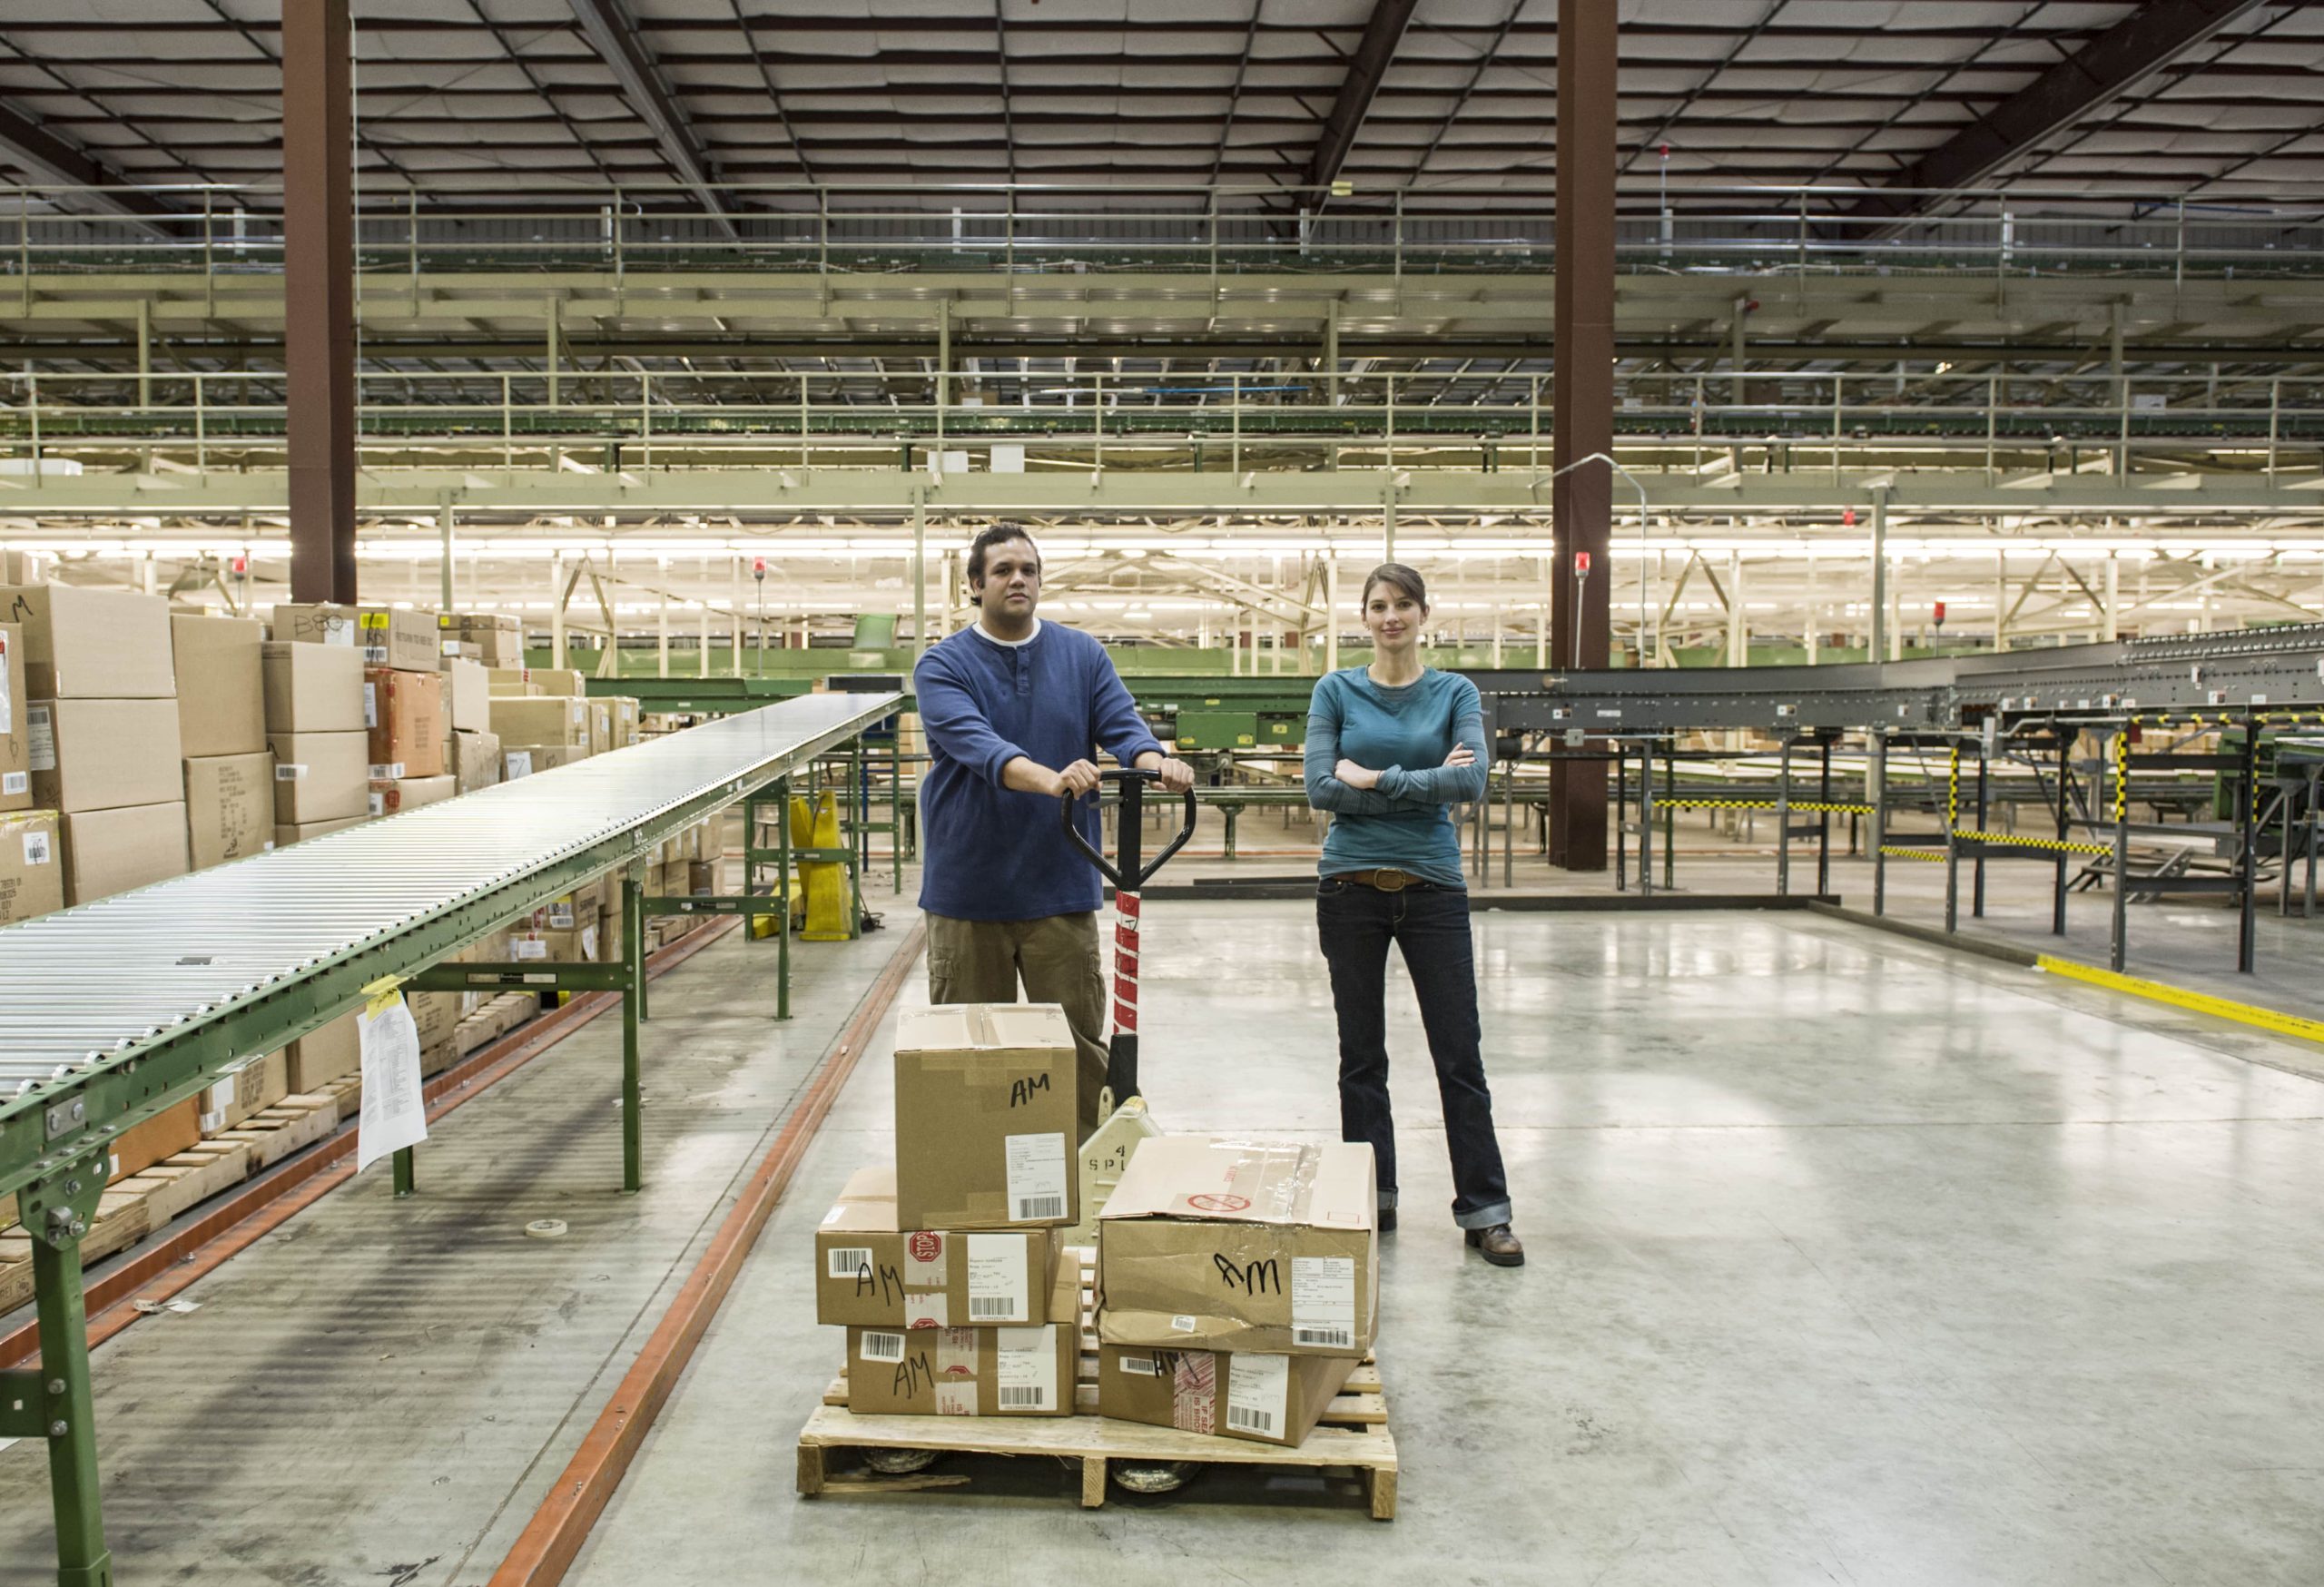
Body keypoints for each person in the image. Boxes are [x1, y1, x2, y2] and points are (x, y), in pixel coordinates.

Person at [913, 523, 1195, 1135]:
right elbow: (976, 744)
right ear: (974, 585)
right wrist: (1050, 779)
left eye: (1029, 569)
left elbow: (1123, 726)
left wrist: (1157, 763)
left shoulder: (1081, 655)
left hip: (1060, 886)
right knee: (968, 1052)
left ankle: (1076, 1186)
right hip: (969, 895)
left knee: (1073, 1054)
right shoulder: (941, 666)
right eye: (1003, 570)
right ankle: (976, 1185)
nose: (1019, 579)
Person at [1303, 562, 1521, 1266]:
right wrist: (1423, 787)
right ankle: (1374, 1199)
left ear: (1424, 613)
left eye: (1403, 604)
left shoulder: (1455, 691)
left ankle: (1485, 1210)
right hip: (1350, 889)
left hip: (1433, 889)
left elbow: (1473, 781)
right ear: (1363, 618)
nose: (1391, 616)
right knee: (1360, 1056)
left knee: (1460, 1054)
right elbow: (1318, 787)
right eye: (1378, 606)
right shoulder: (1335, 690)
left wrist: (1371, 776)